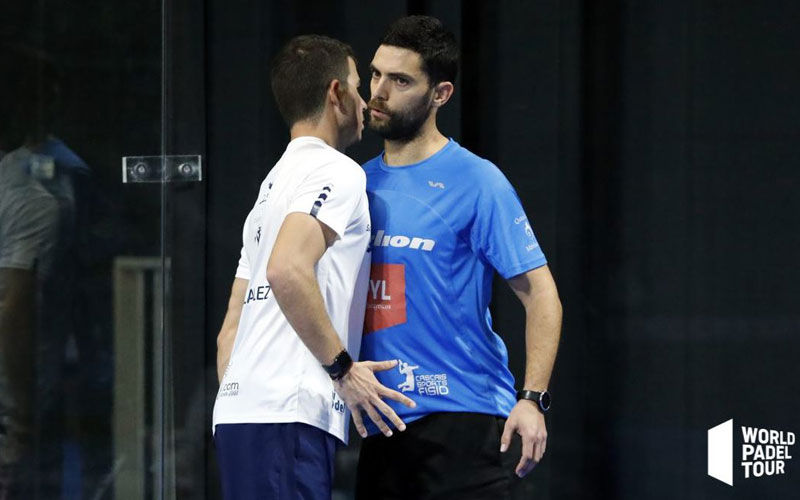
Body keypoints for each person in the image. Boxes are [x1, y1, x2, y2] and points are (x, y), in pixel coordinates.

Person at [355, 16, 563, 499]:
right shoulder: (352, 185)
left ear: (440, 94)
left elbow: (542, 295)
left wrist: (532, 399)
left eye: (401, 80)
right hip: (380, 426)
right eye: (376, 75)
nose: (379, 93)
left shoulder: (478, 181)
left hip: (462, 419)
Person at [212, 35, 415, 500]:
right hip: (289, 417)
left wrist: (255, 397)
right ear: (336, 94)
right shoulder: (339, 171)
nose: (367, 102)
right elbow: (286, 270)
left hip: (241, 416)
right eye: (359, 87)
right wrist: (344, 370)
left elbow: (231, 331)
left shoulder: (269, 189)